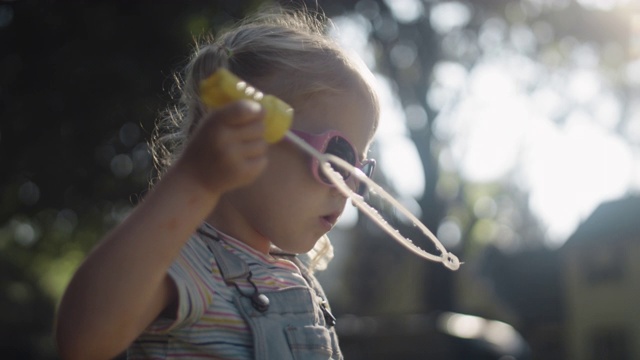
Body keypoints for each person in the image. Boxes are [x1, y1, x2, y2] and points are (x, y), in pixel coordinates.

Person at [55, 5, 379, 360]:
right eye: (339, 158)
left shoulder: (296, 277)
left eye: (361, 171)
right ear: (244, 132)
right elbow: (84, 340)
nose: (347, 187)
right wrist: (192, 182)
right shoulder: (190, 261)